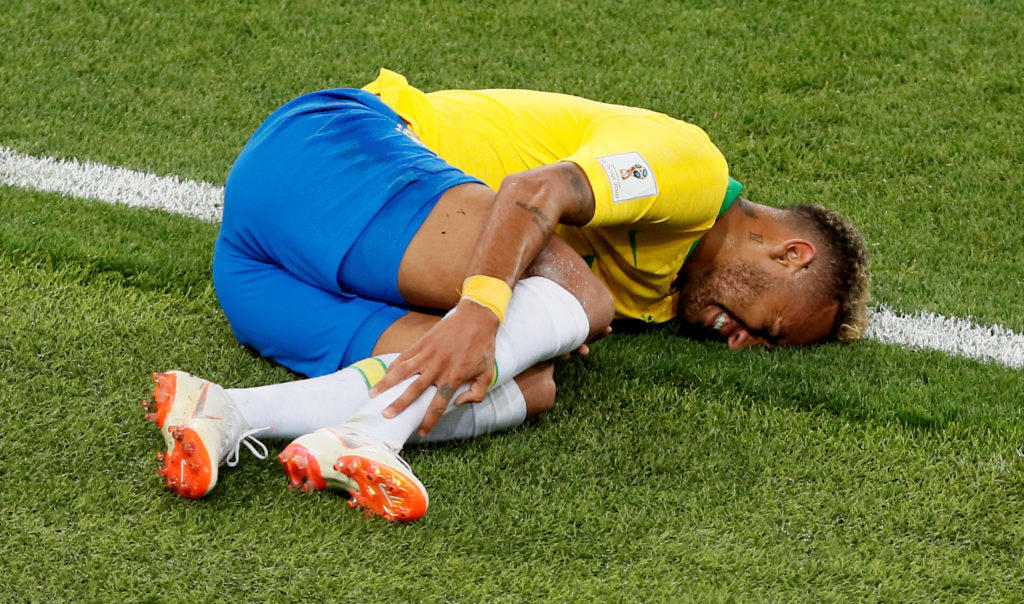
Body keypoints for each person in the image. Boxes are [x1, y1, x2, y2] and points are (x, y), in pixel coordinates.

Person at [142, 69, 870, 521]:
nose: (744, 342)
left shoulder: (661, 288)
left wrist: (492, 326)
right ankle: (373, 437)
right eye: (769, 329)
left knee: (532, 384)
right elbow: (534, 191)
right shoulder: (693, 170)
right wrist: (483, 310)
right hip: (327, 153)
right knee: (579, 296)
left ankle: (231, 410)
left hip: (257, 272)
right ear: (790, 253)